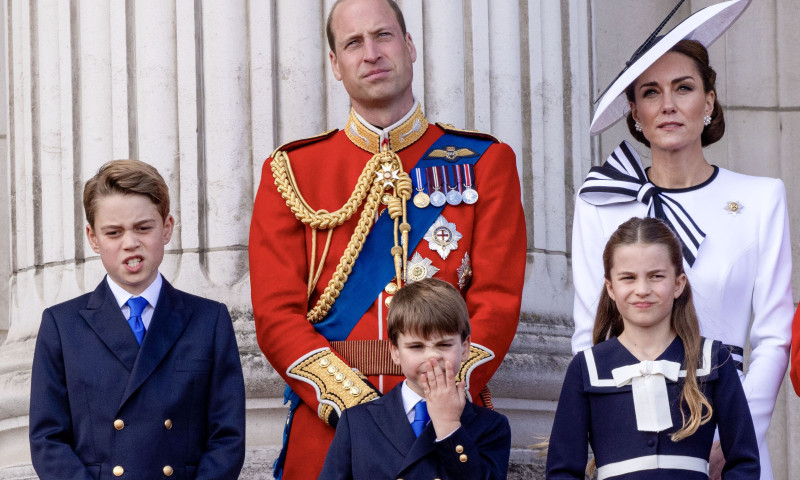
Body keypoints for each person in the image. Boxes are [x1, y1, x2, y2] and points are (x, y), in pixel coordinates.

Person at [248, 0, 525, 478]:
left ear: (410, 46)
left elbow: (496, 303)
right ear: (335, 64)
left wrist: (438, 395)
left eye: (384, 36)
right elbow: (276, 316)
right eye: (353, 43)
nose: (371, 52)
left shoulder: (485, 162)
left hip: (446, 421)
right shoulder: (291, 172)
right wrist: (360, 410)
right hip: (331, 427)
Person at [571, 1, 792, 477]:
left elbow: (774, 338)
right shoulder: (599, 202)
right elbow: (588, 332)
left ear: (708, 101)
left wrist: (734, 436)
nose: (668, 104)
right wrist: (609, 430)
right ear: (634, 110)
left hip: (729, 437)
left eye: (684, 88)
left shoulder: (760, 198)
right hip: (629, 433)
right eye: (651, 92)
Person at [29, 160, 246, 479]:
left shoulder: (209, 321)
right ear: (93, 238)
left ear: (167, 227)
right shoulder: (62, 326)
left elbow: (227, 439)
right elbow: (48, 441)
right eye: (113, 232)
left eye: (143, 228)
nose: (130, 243)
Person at [548, 217, 759, 479]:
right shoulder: (587, 368)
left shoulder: (713, 360)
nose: (642, 289)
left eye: (656, 276)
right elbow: (562, 471)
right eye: (628, 278)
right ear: (611, 288)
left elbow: (744, 462)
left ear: (678, 284)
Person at [319, 278, 511, 479]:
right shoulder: (357, 421)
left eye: (444, 345)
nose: (432, 356)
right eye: (416, 347)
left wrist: (449, 426)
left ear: (464, 348)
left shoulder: (491, 426)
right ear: (395, 352)